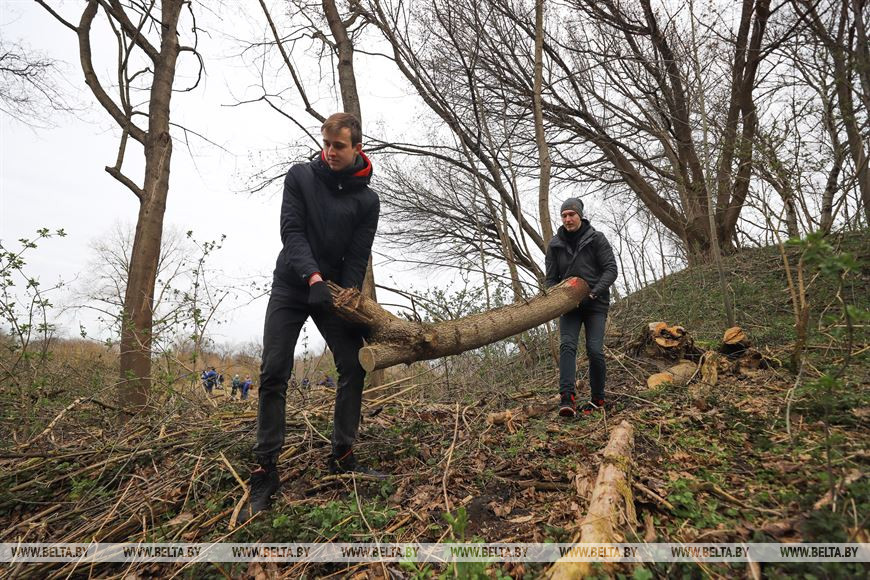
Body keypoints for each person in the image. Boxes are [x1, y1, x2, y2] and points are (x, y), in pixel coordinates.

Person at [247, 112, 381, 517]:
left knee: (353, 364)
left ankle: (342, 455)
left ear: (357, 148)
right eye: (326, 144)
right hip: (292, 284)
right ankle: (265, 468)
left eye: (338, 146)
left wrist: (348, 296)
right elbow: (292, 232)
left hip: (332, 293)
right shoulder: (300, 177)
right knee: (274, 370)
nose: (330, 152)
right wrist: (313, 276)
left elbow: (357, 255)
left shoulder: (367, 201)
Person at [545, 197, 618, 418]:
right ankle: (567, 399)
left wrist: (595, 291)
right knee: (567, 346)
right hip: (569, 305)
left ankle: (598, 399)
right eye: (564, 215)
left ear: (580, 216)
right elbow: (551, 279)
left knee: (594, 350)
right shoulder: (555, 245)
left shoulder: (597, 238)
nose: (568, 219)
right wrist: (557, 299)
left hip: (596, 303)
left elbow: (611, 270)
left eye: (571, 215)